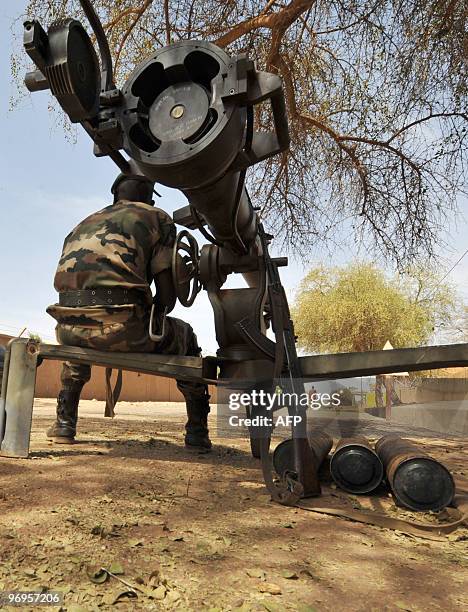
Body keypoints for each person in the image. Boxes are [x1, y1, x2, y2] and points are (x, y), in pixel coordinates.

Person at [45, 172, 212, 450]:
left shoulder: (80, 225)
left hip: (69, 330)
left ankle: (64, 423)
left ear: (115, 195)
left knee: (82, 325)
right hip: (126, 330)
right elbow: (167, 299)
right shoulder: (156, 218)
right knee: (187, 336)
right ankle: (197, 432)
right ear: (148, 196)